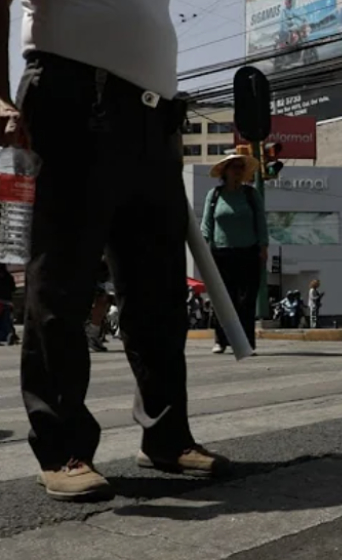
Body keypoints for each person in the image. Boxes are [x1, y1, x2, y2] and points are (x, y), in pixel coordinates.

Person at [6, 1, 228, 501]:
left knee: (160, 290)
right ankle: (63, 448)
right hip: (73, 96)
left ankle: (167, 436)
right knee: (62, 282)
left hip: (155, 117)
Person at [201, 153, 268, 354]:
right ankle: (221, 340)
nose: (238, 171)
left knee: (246, 301)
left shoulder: (251, 194)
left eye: (240, 167)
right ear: (225, 171)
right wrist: (202, 250)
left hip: (248, 253)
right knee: (223, 298)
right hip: (221, 254)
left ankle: (247, 343)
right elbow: (206, 226)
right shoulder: (214, 195)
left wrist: (263, 246)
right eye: (234, 167)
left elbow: (261, 222)